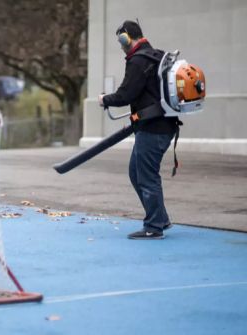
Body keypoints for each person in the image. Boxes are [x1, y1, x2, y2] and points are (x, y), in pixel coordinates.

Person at [98, 20, 179, 240]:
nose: (121, 45)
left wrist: (105, 99)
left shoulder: (138, 60)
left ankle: (154, 227)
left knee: (146, 176)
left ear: (126, 38)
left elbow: (126, 95)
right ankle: (160, 218)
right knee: (136, 172)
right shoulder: (156, 56)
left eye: (121, 40)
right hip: (161, 125)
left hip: (153, 128)